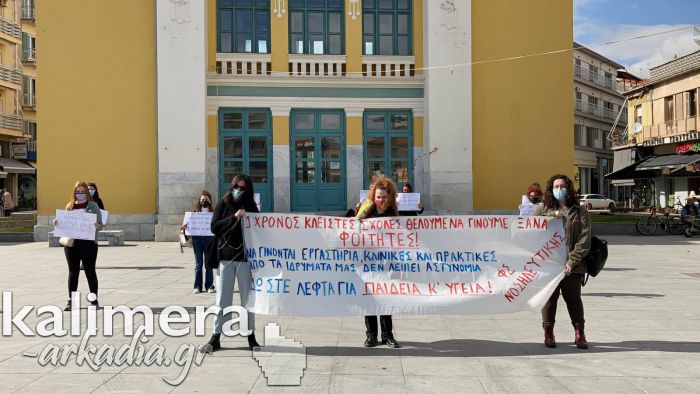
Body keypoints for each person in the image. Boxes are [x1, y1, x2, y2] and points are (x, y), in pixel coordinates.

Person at [201, 174, 260, 352]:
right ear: (232, 186)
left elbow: (259, 228)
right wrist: (234, 217)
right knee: (222, 300)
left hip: (244, 259)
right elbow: (214, 227)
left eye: (243, 188)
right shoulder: (223, 203)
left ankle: (251, 336)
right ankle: (215, 337)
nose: (239, 191)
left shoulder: (250, 205)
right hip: (225, 258)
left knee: (247, 300)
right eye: (237, 187)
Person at [533, 174, 591, 349]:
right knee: (550, 299)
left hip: (573, 265)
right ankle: (548, 333)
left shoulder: (580, 211)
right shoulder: (543, 208)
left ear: (568, 189)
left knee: (573, 298)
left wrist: (572, 261)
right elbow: (531, 227)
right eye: (556, 186)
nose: (559, 190)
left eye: (562, 186)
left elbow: (584, 239)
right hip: (549, 264)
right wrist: (551, 215)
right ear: (551, 189)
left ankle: (579, 333)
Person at [356, 176, 401, 348]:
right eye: (378, 196)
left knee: (386, 298)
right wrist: (358, 214)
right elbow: (351, 226)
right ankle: (371, 336)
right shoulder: (366, 209)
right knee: (370, 299)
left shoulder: (393, 212)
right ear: (373, 196)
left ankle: (388, 336)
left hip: (387, 262)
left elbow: (407, 227)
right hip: (367, 262)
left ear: (390, 198)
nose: (381, 200)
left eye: (384, 197)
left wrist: (419, 209)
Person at [53, 181, 103, 311]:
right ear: (74, 192)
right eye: (77, 191)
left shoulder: (93, 206)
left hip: (88, 244)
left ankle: (94, 300)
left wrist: (98, 226)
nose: (79, 194)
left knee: (90, 271)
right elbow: (64, 223)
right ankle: (71, 301)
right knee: (73, 272)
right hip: (72, 244)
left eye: (82, 191)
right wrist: (57, 222)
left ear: (86, 192)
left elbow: (101, 224)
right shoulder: (69, 206)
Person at [181, 191, 216, 294]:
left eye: (206, 199)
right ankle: (197, 286)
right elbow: (186, 225)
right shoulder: (194, 212)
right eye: (202, 200)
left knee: (208, 264)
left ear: (210, 200)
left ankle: (210, 286)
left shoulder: (213, 212)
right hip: (197, 240)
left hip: (209, 239)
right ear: (199, 201)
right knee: (198, 264)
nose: (204, 201)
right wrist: (184, 227)